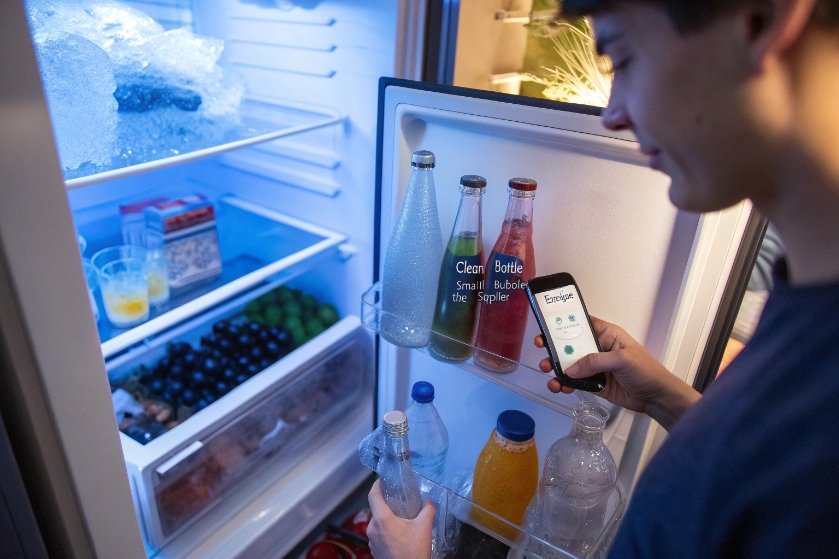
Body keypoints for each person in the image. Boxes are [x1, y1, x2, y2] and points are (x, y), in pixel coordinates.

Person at [367, 0, 839, 557]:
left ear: (763, 20)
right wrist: (668, 401)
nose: (612, 115)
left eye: (623, 57)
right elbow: (761, 475)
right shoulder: (805, 315)